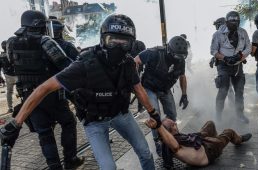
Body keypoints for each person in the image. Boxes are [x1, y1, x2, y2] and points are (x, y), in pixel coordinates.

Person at [0, 13, 159, 170]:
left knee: (145, 152)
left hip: (121, 114)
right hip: (94, 120)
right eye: (112, 41)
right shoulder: (85, 64)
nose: (118, 47)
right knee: (108, 167)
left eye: (124, 43)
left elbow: (138, 89)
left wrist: (154, 114)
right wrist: (16, 123)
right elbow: (44, 88)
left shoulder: (128, 63)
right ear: (103, 40)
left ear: (131, 44)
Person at [4, 10, 83, 169]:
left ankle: (54, 167)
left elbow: (13, 66)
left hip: (29, 97)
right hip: (51, 94)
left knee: (44, 133)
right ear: (39, 25)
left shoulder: (11, 43)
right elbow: (65, 65)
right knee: (68, 122)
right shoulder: (45, 41)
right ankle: (70, 160)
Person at [134, 35, 189, 156]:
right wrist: (135, 81)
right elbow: (136, 60)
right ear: (169, 50)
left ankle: (170, 138)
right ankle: (158, 142)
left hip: (165, 88)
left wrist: (184, 94)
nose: (178, 59)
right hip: (149, 88)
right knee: (155, 115)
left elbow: (182, 76)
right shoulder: (154, 52)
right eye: (176, 56)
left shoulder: (181, 60)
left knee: (172, 115)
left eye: (182, 56)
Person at [145, 117, 252, 167]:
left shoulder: (176, 137)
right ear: (169, 131)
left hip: (203, 143)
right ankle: (239, 139)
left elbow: (168, 135)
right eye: (173, 124)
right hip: (209, 153)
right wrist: (158, 127)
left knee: (210, 124)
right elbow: (171, 142)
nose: (176, 125)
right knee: (229, 132)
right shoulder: (173, 146)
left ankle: (217, 141)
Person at [210, 11, 251, 123]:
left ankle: (240, 115)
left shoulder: (243, 32)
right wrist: (224, 58)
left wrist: (240, 56)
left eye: (237, 22)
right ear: (226, 22)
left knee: (239, 91)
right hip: (223, 66)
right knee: (223, 90)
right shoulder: (218, 34)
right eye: (232, 22)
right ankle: (218, 116)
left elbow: (248, 47)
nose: (234, 24)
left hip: (238, 66)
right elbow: (213, 50)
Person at [210, 17, 235, 105]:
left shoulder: (223, 34)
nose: (216, 27)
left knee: (225, 88)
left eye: (217, 25)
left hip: (225, 66)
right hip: (227, 65)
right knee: (228, 87)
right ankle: (233, 107)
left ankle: (222, 112)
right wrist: (214, 58)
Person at [0, 40, 17, 114]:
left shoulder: (1, 56)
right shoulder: (13, 53)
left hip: (8, 76)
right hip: (17, 75)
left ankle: (10, 108)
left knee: (9, 92)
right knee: (24, 90)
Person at [130, 40, 146, 112]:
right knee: (139, 87)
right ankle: (140, 107)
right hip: (136, 69)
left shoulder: (129, 45)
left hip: (131, 68)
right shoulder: (140, 44)